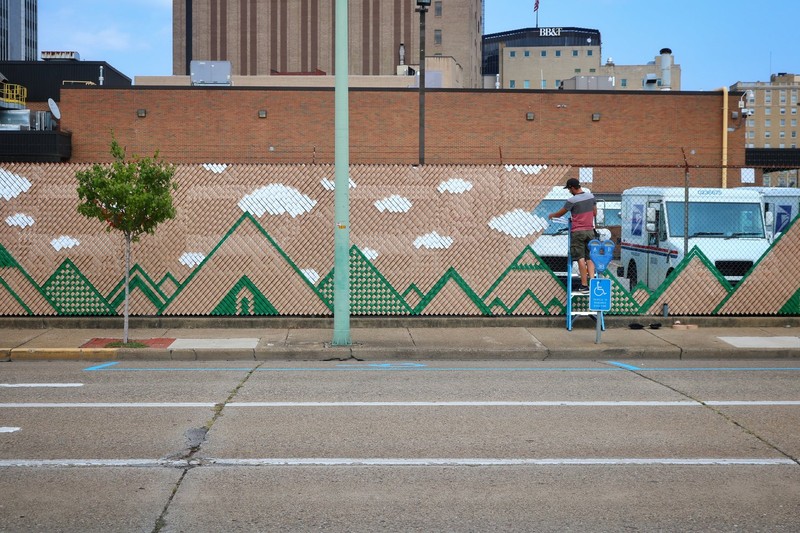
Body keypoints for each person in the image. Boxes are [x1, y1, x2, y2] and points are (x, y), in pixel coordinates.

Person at [547, 178, 597, 294]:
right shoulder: (591, 196)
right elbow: (595, 213)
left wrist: (552, 215)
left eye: (569, 189)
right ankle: (593, 282)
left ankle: (584, 286)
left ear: (572, 188)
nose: (569, 191)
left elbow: (561, 213)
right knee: (590, 257)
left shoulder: (572, 200)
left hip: (578, 232)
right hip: (590, 230)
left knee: (580, 257)